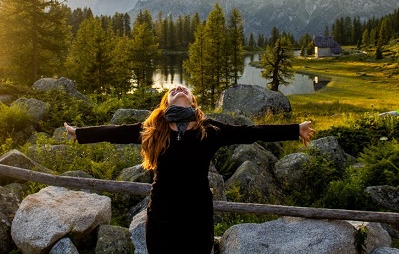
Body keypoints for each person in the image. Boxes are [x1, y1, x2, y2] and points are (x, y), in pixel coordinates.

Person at [64, 85, 315, 254]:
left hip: (198, 217)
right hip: (162, 217)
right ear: (166, 103)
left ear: (193, 101)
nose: (179, 89)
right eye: (173, 90)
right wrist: (80, 134)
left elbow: (249, 133)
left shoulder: (209, 130)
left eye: (184, 89)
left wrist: (295, 129)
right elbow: (115, 132)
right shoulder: (154, 129)